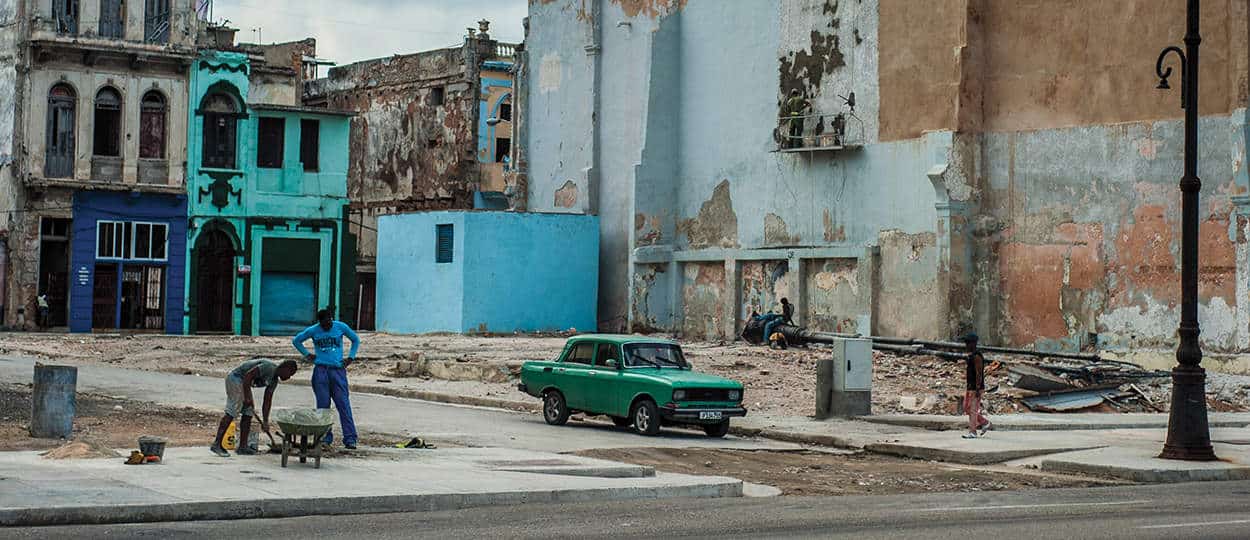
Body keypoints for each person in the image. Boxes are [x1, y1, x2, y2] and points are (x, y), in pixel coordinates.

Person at [293, 309, 362, 449]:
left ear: (332, 318)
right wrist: (307, 354)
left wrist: (350, 358)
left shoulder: (340, 327)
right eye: (324, 323)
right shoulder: (313, 330)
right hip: (321, 371)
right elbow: (296, 341)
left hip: (338, 371)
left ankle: (350, 438)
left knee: (343, 405)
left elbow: (355, 339)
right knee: (323, 407)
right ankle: (324, 438)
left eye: (329, 322)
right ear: (320, 322)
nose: (327, 325)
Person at [210, 359, 298, 457]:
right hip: (236, 379)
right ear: (285, 368)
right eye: (290, 374)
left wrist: (265, 422)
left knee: (248, 413)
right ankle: (217, 444)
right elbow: (248, 376)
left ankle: (243, 447)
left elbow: (267, 401)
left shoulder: (273, 381)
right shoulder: (268, 367)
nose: (289, 377)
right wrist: (247, 397)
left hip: (245, 384)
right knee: (233, 411)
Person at [960, 333, 993, 439]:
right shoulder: (970, 356)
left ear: (973, 344)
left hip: (976, 387)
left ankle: (973, 432)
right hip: (970, 386)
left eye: (968, 343)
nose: (966, 345)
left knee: (973, 409)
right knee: (966, 407)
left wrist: (978, 388)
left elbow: (979, 373)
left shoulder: (977, 356)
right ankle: (985, 422)